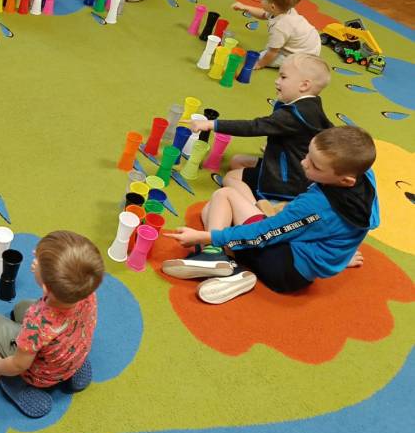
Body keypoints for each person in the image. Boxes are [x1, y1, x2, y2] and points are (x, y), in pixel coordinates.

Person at [162, 126, 379, 304]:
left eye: (315, 166)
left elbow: (264, 234)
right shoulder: (364, 178)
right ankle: (228, 263)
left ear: (345, 180)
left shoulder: (314, 206)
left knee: (224, 196)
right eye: (308, 155)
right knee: (211, 210)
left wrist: (206, 237)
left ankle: (219, 259)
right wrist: (340, 257)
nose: (304, 163)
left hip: (283, 268)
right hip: (302, 267)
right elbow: (346, 230)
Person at [0, 231, 104, 418]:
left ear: (46, 288)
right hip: (71, 352)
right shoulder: (87, 292)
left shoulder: (37, 321)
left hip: (39, 375)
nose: (34, 256)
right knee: (21, 307)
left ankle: (17, 386)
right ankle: (72, 370)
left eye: (38, 260)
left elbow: (19, 364)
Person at [189, 53, 333, 202]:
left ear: (304, 85)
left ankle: (256, 208)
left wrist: (212, 124)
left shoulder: (292, 114)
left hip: (285, 180)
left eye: (283, 77)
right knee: (237, 161)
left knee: (230, 178)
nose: (276, 81)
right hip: (292, 168)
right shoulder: (313, 105)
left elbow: (254, 127)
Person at [231, 0, 320, 69]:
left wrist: (260, 64)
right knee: (273, 45)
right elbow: (263, 14)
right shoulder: (284, 9)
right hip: (310, 42)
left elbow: (273, 52)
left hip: (303, 56)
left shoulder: (280, 26)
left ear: (272, 7)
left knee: (261, 56)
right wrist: (245, 7)